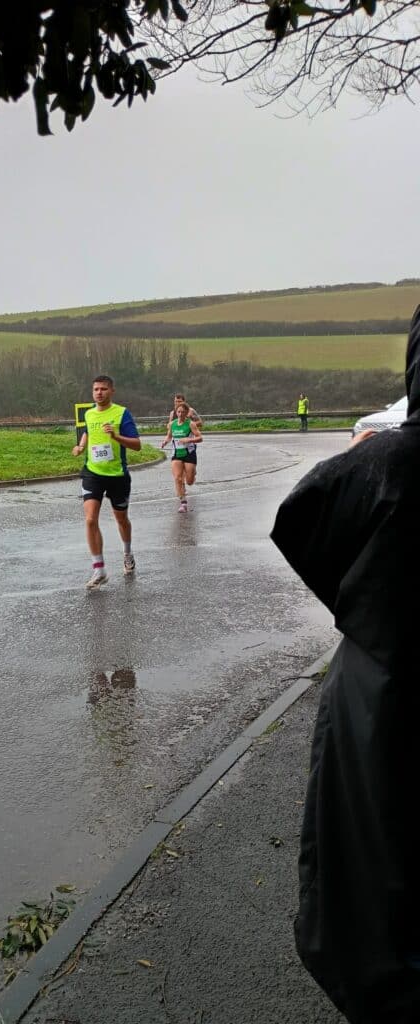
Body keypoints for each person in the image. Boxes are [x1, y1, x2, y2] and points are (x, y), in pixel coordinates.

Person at [271, 305, 420, 1023]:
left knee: (370, 871)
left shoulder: (386, 463)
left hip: (380, 691)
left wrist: (362, 612)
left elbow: (305, 517)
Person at [72, 375, 141, 589]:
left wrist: (116, 437)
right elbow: (87, 432)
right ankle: (99, 569)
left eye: (103, 389)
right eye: (95, 389)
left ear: (112, 391)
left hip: (117, 475)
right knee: (90, 519)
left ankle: (127, 553)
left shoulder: (121, 413)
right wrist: (81, 447)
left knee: (121, 520)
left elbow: (137, 445)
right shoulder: (89, 413)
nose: (99, 393)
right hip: (93, 473)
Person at [160, 401, 203, 513]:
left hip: (189, 453)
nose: (180, 414)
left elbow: (200, 438)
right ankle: (183, 503)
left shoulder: (191, 424)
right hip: (177, 454)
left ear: (186, 413)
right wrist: (165, 441)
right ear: (176, 412)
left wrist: (189, 439)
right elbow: (169, 436)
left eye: (183, 412)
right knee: (178, 478)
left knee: (189, 481)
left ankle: (192, 475)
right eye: (178, 412)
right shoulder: (173, 424)